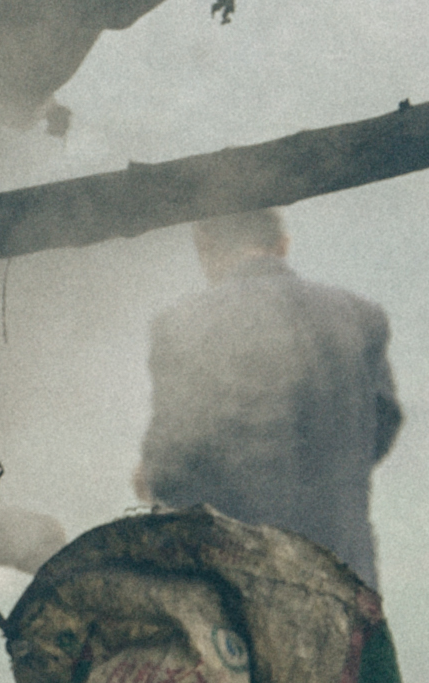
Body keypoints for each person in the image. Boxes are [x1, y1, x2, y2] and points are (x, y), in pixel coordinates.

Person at [131, 209, 401, 589]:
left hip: (235, 591)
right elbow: (381, 427)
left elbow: (170, 468)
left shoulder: (180, 325)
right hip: (345, 579)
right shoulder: (360, 317)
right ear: (282, 246)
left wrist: (150, 477)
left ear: (203, 245)